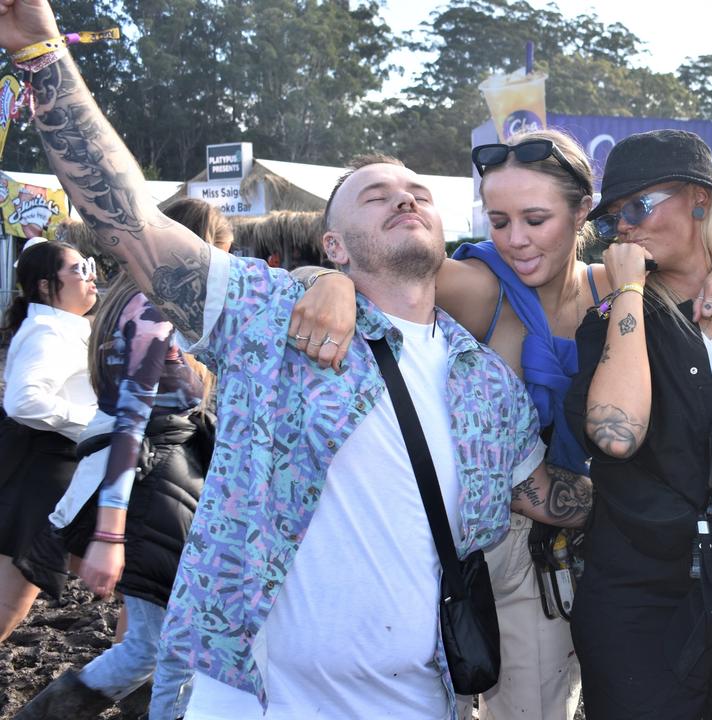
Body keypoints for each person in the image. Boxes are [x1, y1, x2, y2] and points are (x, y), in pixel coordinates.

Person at [0, 5, 590, 718]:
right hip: (244, 695)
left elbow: (547, 495)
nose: (404, 195)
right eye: (375, 195)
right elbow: (127, 216)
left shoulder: (488, 385)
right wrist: (40, 52)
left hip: (416, 702)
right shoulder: (269, 316)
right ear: (334, 247)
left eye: (417, 194)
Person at [288, 128, 712, 720]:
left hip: (588, 540)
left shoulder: (617, 285)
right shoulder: (477, 285)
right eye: (498, 220)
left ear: (584, 215)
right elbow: (374, 272)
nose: (515, 239)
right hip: (484, 538)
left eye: (535, 219)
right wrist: (327, 281)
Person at [564, 129, 712, 719]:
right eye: (612, 218)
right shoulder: (611, 318)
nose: (624, 226)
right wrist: (626, 288)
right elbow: (614, 435)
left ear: (699, 199)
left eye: (639, 206)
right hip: (637, 597)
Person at [13, 198, 225, 720]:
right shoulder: (154, 310)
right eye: (218, 254)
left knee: (163, 644)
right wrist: (108, 535)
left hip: (160, 482)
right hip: (154, 485)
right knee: (162, 647)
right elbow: (129, 421)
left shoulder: (134, 304)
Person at [0, 240, 97, 642]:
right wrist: (92, 426)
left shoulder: (59, 327)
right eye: (78, 270)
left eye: (89, 266)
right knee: (8, 606)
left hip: (51, 471)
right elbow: (23, 401)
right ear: (45, 285)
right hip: (44, 475)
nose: (91, 277)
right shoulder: (49, 332)